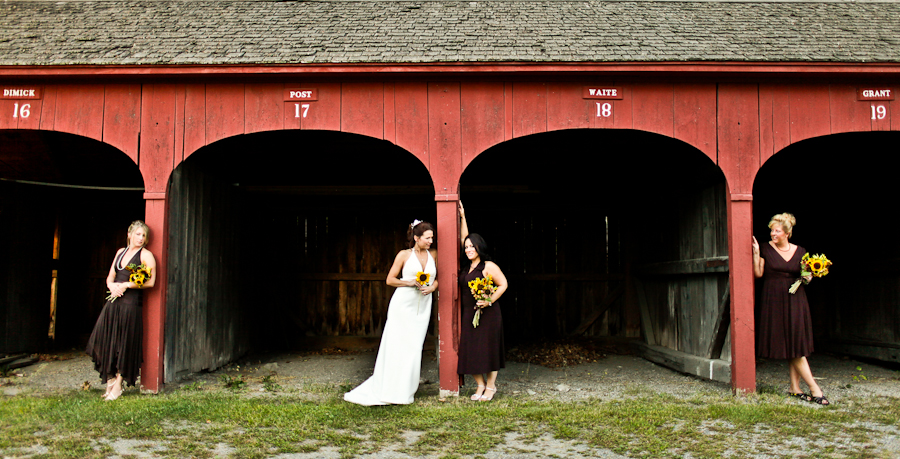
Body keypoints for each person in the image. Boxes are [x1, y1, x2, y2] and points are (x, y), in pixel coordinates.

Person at [344, 220, 438, 405]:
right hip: (403, 305)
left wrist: (433, 287)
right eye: (427, 238)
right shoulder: (404, 255)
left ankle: (406, 390)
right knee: (397, 346)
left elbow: (441, 277)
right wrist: (409, 282)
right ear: (417, 238)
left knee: (414, 347)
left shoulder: (433, 254)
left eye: (432, 238)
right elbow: (390, 280)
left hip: (423, 306)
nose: (431, 241)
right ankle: (390, 389)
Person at [752, 213, 829, 405]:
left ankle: (795, 388)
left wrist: (808, 277)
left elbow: (805, 275)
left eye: (777, 231)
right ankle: (815, 389)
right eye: (771, 230)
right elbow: (758, 273)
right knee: (792, 346)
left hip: (796, 300)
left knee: (796, 343)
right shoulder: (764, 248)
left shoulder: (801, 251)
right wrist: (755, 255)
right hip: (774, 300)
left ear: (787, 233)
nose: (773, 233)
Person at [86, 220, 157, 401]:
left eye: (144, 236)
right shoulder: (120, 252)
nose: (141, 238)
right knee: (102, 339)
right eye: (138, 234)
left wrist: (127, 284)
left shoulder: (146, 255)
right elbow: (110, 277)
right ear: (129, 234)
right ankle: (109, 378)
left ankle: (118, 385)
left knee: (124, 344)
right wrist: (112, 287)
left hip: (131, 305)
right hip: (114, 302)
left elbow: (151, 282)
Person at [458, 202, 508, 402]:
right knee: (470, 349)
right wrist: (463, 217)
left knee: (489, 348)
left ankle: (491, 386)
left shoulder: (488, 266)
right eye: (467, 247)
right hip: (469, 313)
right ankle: (479, 385)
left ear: (480, 247)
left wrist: (489, 301)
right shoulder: (466, 267)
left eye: (472, 246)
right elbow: (463, 238)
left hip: (489, 313)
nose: (469, 249)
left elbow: (503, 284)